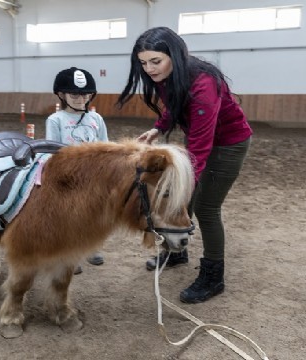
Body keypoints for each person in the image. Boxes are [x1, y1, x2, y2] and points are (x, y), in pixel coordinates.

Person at [116, 26, 252, 304]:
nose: (149, 69)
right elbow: (175, 104)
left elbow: (201, 146)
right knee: (182, 202)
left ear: (174, 56)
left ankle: (214, 276)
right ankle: (176, 253)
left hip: (228, 144)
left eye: (156, 61)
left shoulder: (203, 84)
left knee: (205, 207)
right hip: (202, 140)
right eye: (143, 63)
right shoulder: (170, 77)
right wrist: (158, 128)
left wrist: (185, 183)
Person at [45, 67, 108, 274]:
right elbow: (53, 150)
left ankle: (90, 248)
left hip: (92, 176)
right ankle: (70, 253)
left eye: (85, 94)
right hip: (69, 175)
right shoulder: (56, 120)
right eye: (75, 95)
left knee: (91, 214)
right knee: (69, 216)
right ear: (62, 95)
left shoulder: (96, 119)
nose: (81, 99)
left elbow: (104, 145)